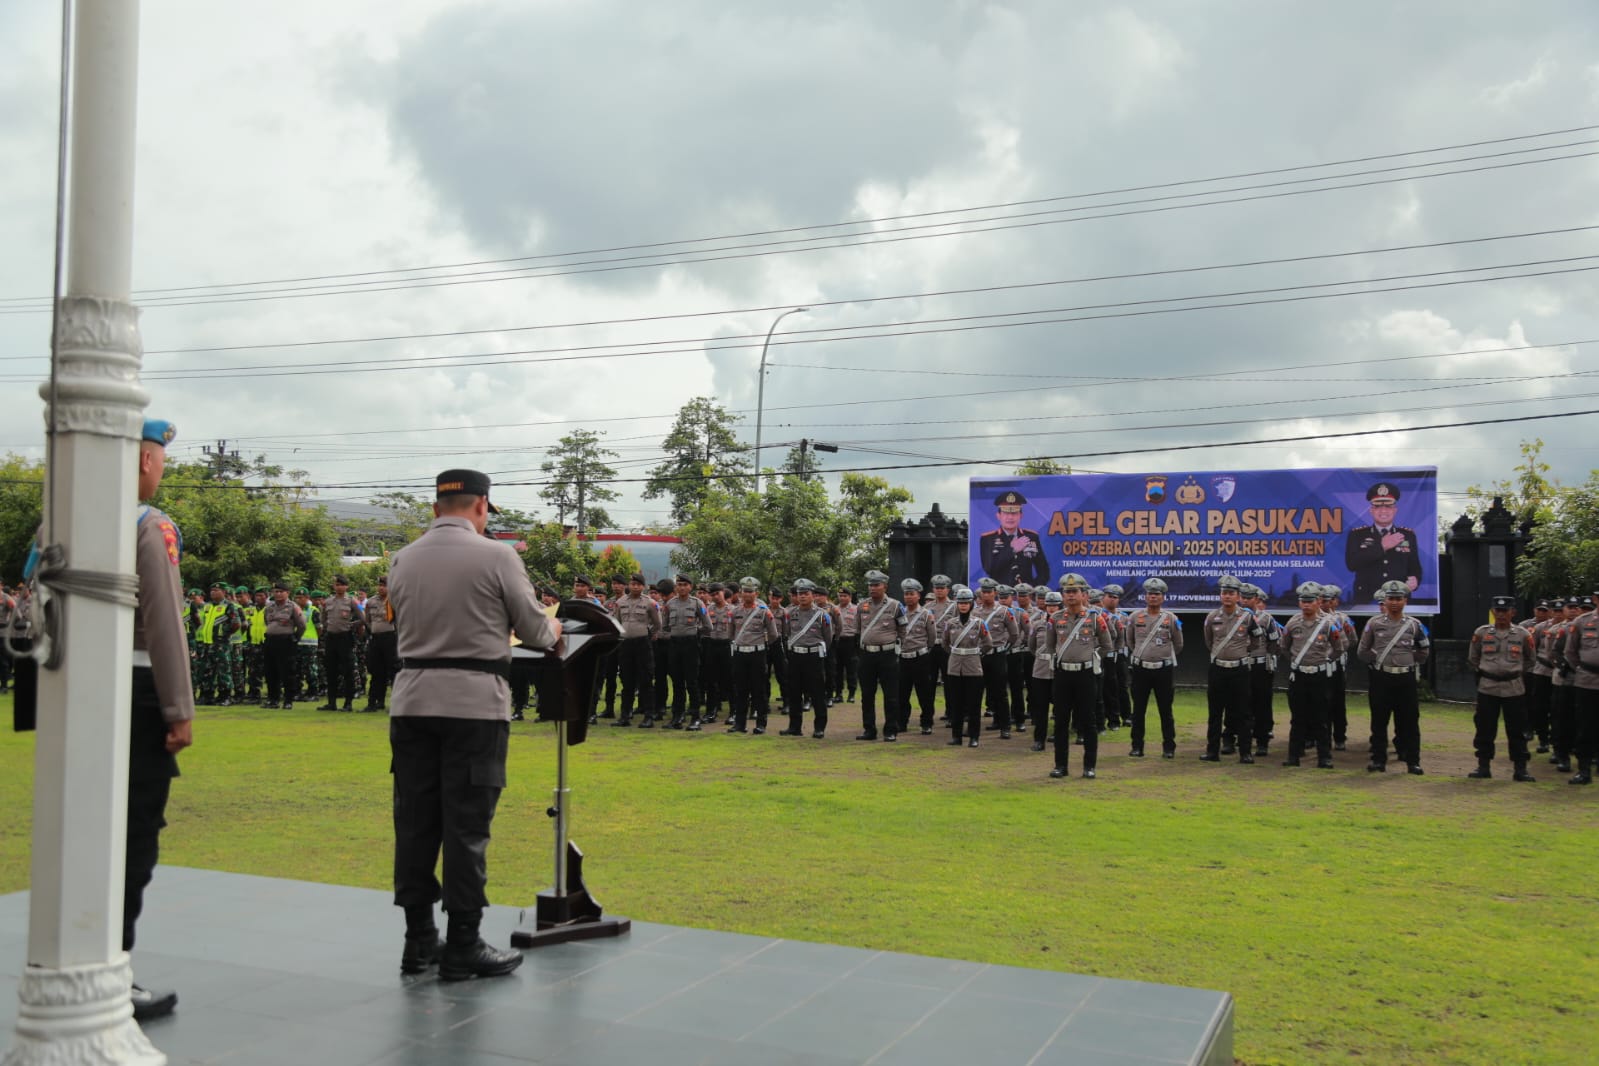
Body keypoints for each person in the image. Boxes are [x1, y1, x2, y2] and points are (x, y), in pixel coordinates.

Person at [387, 468, 560, 980]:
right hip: (473, 704)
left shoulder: (402, 558)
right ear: (482, 506)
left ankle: (419, 939)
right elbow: (535, 632)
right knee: (466, 826)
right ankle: (463, 942)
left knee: (415, 823)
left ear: (436, 508)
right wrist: (552, 623)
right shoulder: (497, 556)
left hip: (412, 700)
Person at [115, 418, 197, 1021]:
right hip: (139, 688)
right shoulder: (149, 523)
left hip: (75, 688)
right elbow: (165, 621)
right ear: (147, 460)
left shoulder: (60, 518)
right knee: (133, 834)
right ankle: (111, 969)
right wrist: (179, 708)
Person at [1358, 580, 1430, 774]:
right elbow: (1363, 651)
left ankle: (1413, 762)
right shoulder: (1374, 624)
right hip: (1381, 678)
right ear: (1385, 600)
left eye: (1398, 599)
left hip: (1405, 679)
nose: (1394, 602)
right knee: (1379, 721)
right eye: (1391, 598)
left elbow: (1424, 651)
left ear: (1405, 600)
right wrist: (1379, 662)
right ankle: (1378, 760)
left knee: (1410, 721)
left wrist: (1407, 661)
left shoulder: (1414, 625)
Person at [1047, 574, 1115, 779]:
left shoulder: (1095, 618)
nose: (1070, 595)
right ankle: (1061, 766)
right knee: (1061, 721)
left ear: (1083, 594)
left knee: (1088, 721)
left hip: (1085, 674)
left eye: (1074, 591)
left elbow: (1107, 645)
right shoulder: (1055, 618)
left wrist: (1091, 658)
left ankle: (1089, 766)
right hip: (1063, 674)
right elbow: (1050, 645)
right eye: (1067, 592)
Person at [1466, 596, 1535, 781]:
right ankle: (1483, 766)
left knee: (1517, 730)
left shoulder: (1523, 634)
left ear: (1513, 612)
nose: (1501, 614)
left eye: (1505, 611)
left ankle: (1520, 769)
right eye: (1498, 610)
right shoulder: (1481, 633)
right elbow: (1473, 658)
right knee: (1484, 728)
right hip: (1488, 687)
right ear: (1493, 612)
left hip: (1514, 688)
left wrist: (1514, 672)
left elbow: (1530, 660)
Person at [1278, 582, 1343, 769]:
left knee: (1321, 718)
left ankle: (1324, 758)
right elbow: (1284, 647)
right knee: (1297, 718)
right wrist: (1296, 661)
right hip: (1299, 676)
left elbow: (1338, 648)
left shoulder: (1328, 624)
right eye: (1303, 601)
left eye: (1310, 601)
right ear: (1299, 603)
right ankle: (1293, 756)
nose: (1306, 605)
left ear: (1318, 602)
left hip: (1319, 676)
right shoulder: (1292, 623)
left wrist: (1325, 661)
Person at [1201, 575, 1260, 764]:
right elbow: (1209, 641)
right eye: (1224, 592)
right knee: (1215, 712)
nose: (1227, 596)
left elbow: (1256, 641)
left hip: (1239, 671)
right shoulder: (1212, 617)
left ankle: (1245, 753)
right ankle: (1212, 751)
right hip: (1218, 669)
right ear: (1220, 595)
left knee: (1243, 712)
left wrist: (1241, 652)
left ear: (1238, 596)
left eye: (1231, 593)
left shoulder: (1247, 617)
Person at [1126, 577, 1182, 758]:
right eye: (1150, 594)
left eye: (1157, 594)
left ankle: (1168, 748)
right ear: (1145, 596)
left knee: (1165, 710)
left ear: (1163, 597)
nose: (1153, 597)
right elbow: (1130, 641)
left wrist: (1162, 656)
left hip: (1163, 670)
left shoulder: (1171, 618)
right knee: (1138, 710)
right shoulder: (1135, 617)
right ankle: (1137, 747)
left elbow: (1178, 644)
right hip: (1141, 669)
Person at [1345, 481, 1423, 604]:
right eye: (1378, 507)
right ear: (1371, 510)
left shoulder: (1408, 535)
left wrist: (1416, 579)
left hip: (1398, 598)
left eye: (1388, 506)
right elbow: (1352, 564)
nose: (1383, 511)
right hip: (1366, 599)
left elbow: (1415, 567)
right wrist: (1382, 546)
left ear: (1395, 510)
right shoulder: (1357, 534)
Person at [854, 569, 907, 742]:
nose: (872, 588)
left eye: (876, 585)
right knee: (867, 695)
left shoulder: (895, 606)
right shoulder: (862, 606)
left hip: (887, 655)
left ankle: (891, 730)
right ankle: (869, 730)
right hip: (867, 655)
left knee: (891, 695)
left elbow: (903, 630)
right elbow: (857, 630)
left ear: (885, 586)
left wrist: (897, 650)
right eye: (870, 585)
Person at [779, 578, 832, 738]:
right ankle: (794, 727)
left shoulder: (822, 615)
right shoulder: (790, 613)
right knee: (794, 692)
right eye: (799, 593)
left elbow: (828, 638)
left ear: (813, 595)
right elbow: (787, 633)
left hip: (814, 656)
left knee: (817, 693)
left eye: (805, 593)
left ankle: (819, 727)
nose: (802, 596)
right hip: (796, 656)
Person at [940, 586, 991, 747]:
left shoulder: (979, 623)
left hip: (973, 666)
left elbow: (988, 644)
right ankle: (956, 736)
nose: (963, 606)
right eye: (960, 603)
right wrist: (956, 654)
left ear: (971, 604)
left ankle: (974, 737)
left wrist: (976, 654)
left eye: (966, 603)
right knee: (956, 703)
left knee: (974, 704)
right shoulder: (950, 623)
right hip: (954, 666)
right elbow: (945, 643)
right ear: (957, 604)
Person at [727, 577, 780, 734]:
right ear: (740, 593)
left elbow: (773, 634)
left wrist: (761, 645)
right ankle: (739, 724)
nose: (748, 594)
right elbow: (730, 633)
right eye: (745, 591)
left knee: (759, 690)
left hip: (757, 654)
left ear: (756, 593)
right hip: (740, 654)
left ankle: (761, 724)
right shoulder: (734, 612)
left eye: (751, 592)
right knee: (740, 690)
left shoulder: (764, 612)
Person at [610, 573, 660, 727]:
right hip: (626, 645)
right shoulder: (620, 602)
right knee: (627, 680)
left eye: (638, 584)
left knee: (646, 680)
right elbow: (617, 622)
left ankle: (648, 716)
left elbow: (657, 623)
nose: (635, 587)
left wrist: (648, 634)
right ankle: (625, 716)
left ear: (643, 586)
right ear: (629, 585)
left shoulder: (650, 603)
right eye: (633, 584)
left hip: (642, 643)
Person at [1560, 588, 1599, 785]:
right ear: (1595, 599)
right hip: (1587, 681)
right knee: (1585, 726)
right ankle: (1584, 770)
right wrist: (1583, 668)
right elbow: (1570, 651)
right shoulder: (1582, 622)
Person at [664, 574, 710, 730]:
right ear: (676, 587)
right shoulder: (670, 604)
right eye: (679, 584)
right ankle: (677, 716)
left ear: (690, 587)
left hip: (691, 645)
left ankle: (695, 717)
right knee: (677, 682)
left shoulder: (697, 603)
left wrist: (695, 632)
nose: (682, 587)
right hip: (675, 644)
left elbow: (708, 626)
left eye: (685, 585)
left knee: (692, 682)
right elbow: (665, 625)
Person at [978, 489, 1050, 587]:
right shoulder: (988, 539)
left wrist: (1033, 589)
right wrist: (1012, 549)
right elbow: (989, 568)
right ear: (998, 516)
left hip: (1025, 594)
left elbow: (1044, 570)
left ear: (1021, 515)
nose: (1010, 517)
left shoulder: (1031, 537)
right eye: (1006, 513)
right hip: (1000, 593)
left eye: (1014, 513)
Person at [319, 575, 365, 712]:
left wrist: (352, 624)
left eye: (341, 585)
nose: (339, 587)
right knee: (331, 671)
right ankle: (331, 703)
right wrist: (328, 628)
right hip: (331, 638)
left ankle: (348, 703)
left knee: (348, 671)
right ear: (334, 586)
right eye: (337, 585)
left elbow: (363, 618)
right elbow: (323, 619)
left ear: (346, 587)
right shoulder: (328, 602)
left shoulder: (352, 601)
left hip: (345, 638)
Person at [898, 579, 938, 734]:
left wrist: (925, 651)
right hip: (903, 658)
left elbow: (932, 637)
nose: (908, 597)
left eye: (911, 594)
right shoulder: (899, 613)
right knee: (902, 693)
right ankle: (902, 722)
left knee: (924, 693)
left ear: (918, 596)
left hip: (920, 658)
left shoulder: (926, 614)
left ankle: (926, 723)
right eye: (906, 594)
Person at [260, 582, 305, 709]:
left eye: (281, 592)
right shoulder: (269, 607)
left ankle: (288, 700)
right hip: (270, 641)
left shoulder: (293, 607)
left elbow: (301, 625)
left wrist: (295, 638)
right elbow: (267, 621)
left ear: (287, 593)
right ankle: (273, 700)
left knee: (287, 672)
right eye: (276, 591)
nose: (278, 594)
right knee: (270, 671)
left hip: (286, 641)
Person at [366, 576, 398, 712]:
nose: (381, 588)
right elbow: (367, 620)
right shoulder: (371, 601)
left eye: (384, 585)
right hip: (376, 639)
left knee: (393, 671)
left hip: (390, 638)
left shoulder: (395, 601)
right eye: (379, 585)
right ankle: (374, 703)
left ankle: (396, 704)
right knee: (376, 671)